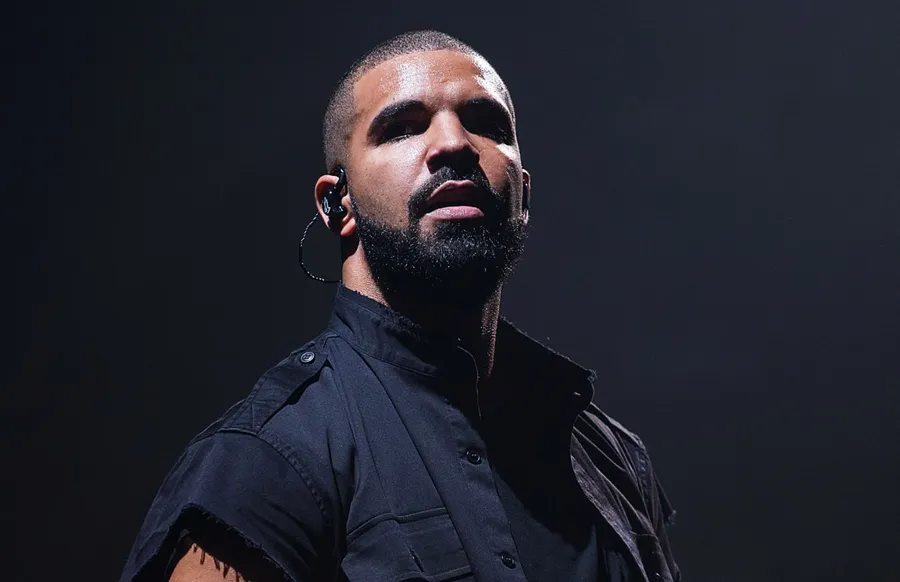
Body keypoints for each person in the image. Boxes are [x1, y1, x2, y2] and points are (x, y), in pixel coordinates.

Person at [120, 30, 680, 582]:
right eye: (403, 128)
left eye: (486, 124)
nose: (455, 143)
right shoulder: (267, 461)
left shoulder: (610, 455)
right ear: (337, 203)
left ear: (524, 195)